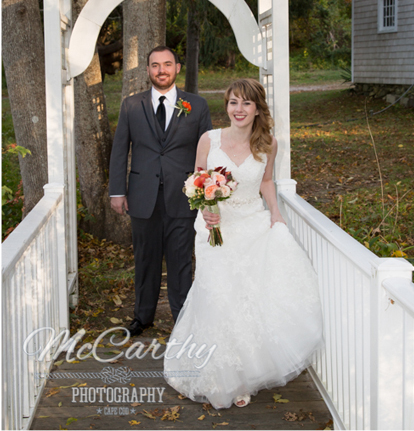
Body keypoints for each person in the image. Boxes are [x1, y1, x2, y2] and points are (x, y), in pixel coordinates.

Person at [164, 78, 323, 409]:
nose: (239, 109)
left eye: (246, 103)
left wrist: (276, 213)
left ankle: (242, 377)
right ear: (227, 106)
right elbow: (197, 179)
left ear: (257, 109)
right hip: (214, 228)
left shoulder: (268, 144)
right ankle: (215, 371)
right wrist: (206, 209)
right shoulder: (209, 140)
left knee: (246, 299)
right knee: (216, 296)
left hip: (251, 225)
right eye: (233, 102)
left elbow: (266, 182)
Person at [109, 46, 212, 337]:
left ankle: (182, 318)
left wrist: (206, 190)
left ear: (177, 68)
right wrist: (117, 191)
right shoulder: (131, 105)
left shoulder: (197, 105)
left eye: (167, 64)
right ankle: (143, 316)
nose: (161, 70)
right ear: (148, 70)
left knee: (181, 260)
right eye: (155, 65)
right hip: (142, 196)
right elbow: (120, 150)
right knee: (145, 259)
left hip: (183, 195)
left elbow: (207, 150)